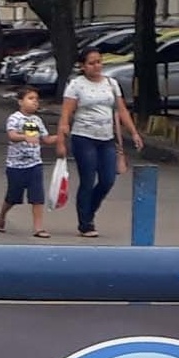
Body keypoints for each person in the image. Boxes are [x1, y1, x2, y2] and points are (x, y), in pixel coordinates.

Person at [56, 46, 145, 239]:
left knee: (107, 179)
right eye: (91, 63)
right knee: (88, 180)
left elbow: (121, 110)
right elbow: (66, 114)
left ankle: (90, 210)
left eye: (99, 62)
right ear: (82, 66)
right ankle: (85, 223)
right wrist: (61, 140)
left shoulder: (111, 83)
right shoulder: (76, 85)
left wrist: (134, 133)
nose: (97, 66)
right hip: (84, 137)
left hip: (106, 138)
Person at [0, 84, 53, 237]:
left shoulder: (37, 120)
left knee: (37, 197)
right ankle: (1, 215)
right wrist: (25, 137)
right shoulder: (15, 118)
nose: (35, 102)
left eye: (37, 99)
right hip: (16, 165)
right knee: (13, 197)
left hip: (34, 164)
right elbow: (12, 135)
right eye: (30, 98)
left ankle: (38, 228)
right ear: (20, 101)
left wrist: (61, 137)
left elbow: (46, 139)